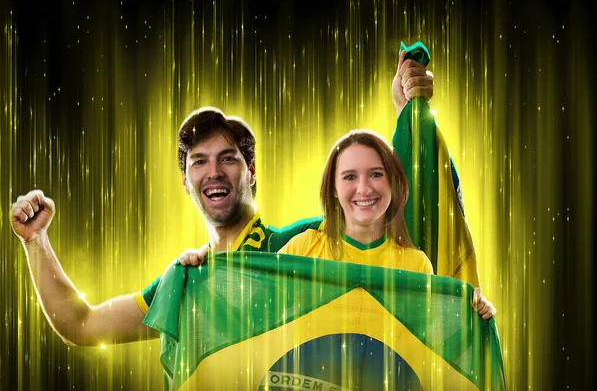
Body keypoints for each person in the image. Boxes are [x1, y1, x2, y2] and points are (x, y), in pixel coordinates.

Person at [11, 56, 435, 345]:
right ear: (185, 181)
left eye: (228, 159)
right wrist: (36, 241)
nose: (213, 172)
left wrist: (409, 116)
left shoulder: (306, 241)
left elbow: (395, 222)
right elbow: (83, 325)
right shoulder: (187, 281)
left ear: (251, 172)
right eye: (199, 162)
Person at [277, 128, 496, 319]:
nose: (364, 189)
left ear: (392, 182)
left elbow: (431, 343)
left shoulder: (416, 266)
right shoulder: (301, 250)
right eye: (349, 177)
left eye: (376, 174)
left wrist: (472, 312)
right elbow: (260, 309)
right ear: (333, 188)